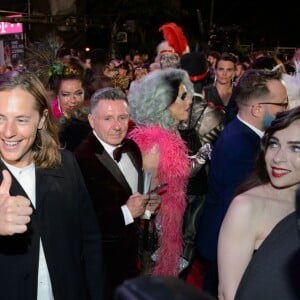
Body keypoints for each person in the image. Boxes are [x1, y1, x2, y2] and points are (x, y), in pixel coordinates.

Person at [0, 71, 105, 300]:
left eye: (21, 119)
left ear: (41, 119)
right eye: (0, 118)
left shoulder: (65, 164)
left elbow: (90, 241)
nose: (8, 132)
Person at [196, 68, 289, 298]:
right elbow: (240, 205)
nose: (287, 110)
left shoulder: (246, 135)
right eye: (282, 104)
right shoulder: (240, 146)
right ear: (257, 109)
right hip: (229, 246)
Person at [73, 87, 160, 298]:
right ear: (92, 121)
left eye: (122, 117)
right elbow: (80, 223)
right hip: (101, 266)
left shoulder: (131, 147)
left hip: (132, 258)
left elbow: (134, 194)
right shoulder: (79, 160)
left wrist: (147, 206)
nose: (117, 126)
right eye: (108, 118)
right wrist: (127, 212)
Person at [128, 68, 210, 277]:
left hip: (171, 219)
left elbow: (175, 171)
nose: (190, 100)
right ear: (163, 102)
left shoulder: (170, 132)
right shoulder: (153, 141)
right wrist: (201, 158)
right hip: (156, 228)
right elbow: (144, 191)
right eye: (182, 96)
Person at [218, 106, 300, 300]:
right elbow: (229, 295)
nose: (278, 158)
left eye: (295, 148)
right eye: (273, 144)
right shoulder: (247, 206)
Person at [203, 52, 238, 125]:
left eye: (229, 70)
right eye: (221, 69)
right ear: (215, 71)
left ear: (234, 73)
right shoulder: (205, 92)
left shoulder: (240, 93)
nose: (224, 73)